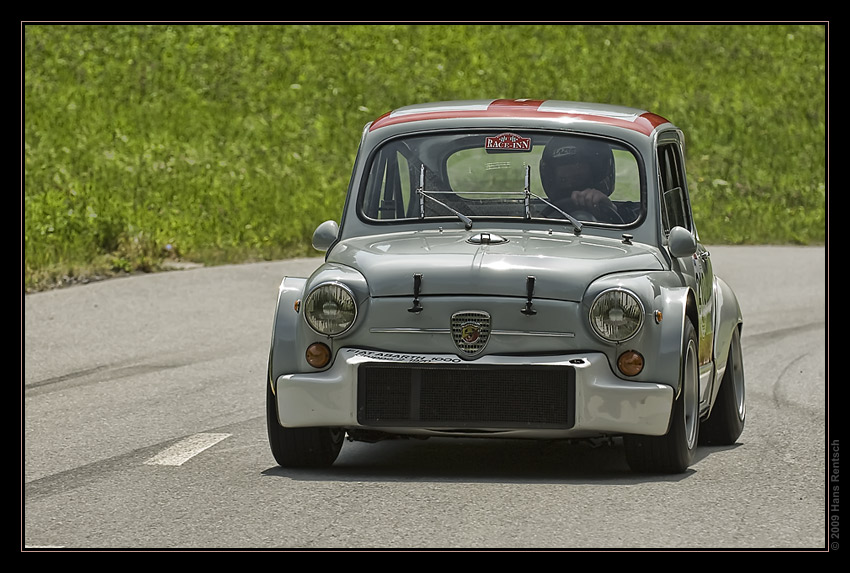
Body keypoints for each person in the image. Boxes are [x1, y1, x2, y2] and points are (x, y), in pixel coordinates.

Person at [539, 137, 622, 222]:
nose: (571, 187)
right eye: (563, 180)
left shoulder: (632, 217)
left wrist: (610, 209)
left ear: (597, 175)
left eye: (578, 179)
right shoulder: (540, 217)